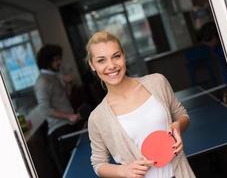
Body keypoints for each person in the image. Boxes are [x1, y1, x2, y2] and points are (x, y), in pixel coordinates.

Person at [87, 31, 195, 177]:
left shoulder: (157, 82)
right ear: (92, 65)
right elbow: (98, 163)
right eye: (101, 60)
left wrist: (178, 126)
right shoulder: (97, 118)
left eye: (116, 56)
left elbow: (182, 115)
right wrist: (122, 170)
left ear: (124, 56)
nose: (111, 65)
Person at [34, 44, 83, 175]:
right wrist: (68, 116)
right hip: (59, 131)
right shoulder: (42, 81)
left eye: (59, 59)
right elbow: (44, 109)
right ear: (47, 62)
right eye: (56, 60)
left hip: (68, 126)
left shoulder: (55, 76)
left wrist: (68, 84)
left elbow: (64, 97)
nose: (59, 62)